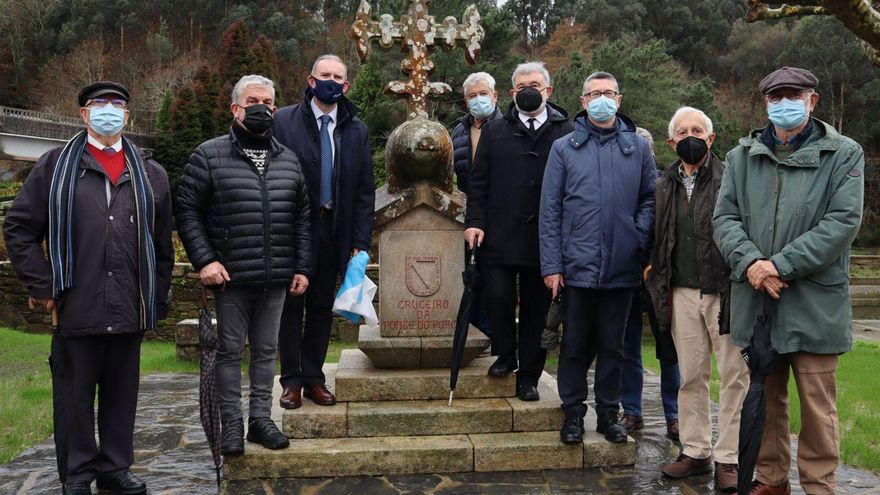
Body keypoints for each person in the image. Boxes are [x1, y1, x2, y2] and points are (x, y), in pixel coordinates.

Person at [3, 81, 174, 495]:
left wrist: (157, 295)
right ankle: (78, 475)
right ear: (84, 114)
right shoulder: (55, 165)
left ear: (128, 116)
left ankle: (115, 469)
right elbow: (19, 228)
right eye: (100, 104)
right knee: (74, 400)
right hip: (75, 304)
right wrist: (43, 285)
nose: (109, 110)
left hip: (129, 306)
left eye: (118, 104)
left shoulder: (151, 173)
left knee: (121, 397)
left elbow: (162, 242)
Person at [714, 67, 864, 495]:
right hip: (758, 302)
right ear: (765, 102)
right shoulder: (741, 156)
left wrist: (777, 265)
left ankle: (819, 486)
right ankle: (772, 479)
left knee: (817, 409)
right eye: (775, 96)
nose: (784, 103)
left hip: (815, 305)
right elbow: (724, 219)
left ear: (812, 100)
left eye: (793, 95)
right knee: (764, 400)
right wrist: (752, 265)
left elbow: (841, 223)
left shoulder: (844, 153)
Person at [176, 74, 312, 456]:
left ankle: (259, 421)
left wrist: (302, 266)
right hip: (231, 277)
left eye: (269, 102)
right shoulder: (208, 155)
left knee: (267, 351)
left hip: (276, 277)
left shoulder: (288, 158)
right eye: (254, 100)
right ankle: (231, 426)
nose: (262, 108)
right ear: (235, 108)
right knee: (230, 351)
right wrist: (205, 259)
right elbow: (187, 210)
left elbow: (301, 218)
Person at [539, 71, 655, 444]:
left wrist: (635, 236)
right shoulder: (564, 148)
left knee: (613, 345)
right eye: (594, 93)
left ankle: (609, 413)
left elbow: (650, 198)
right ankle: (572, 412)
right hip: (576, 267)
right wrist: (553, 265)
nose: (602, 99)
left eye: (609, 93)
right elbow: (550, 210)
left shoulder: (638, 148)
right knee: (573, 345)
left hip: (622, 267)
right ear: (583, 101)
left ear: (619, 100)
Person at [646, 107, 747, 492]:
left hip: (724, 290)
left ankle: (729, 458)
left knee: (735, 377)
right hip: (680, 292)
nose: (690, 136)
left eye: (697, 130)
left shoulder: (730, 178)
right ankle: (696, 450)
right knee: (691, 376)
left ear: (711, 138)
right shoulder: (663, 183)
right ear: (671, 142)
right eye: (682, 131)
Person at [464, 61, 573, 401]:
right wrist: (474, 222)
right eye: (522, 85)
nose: (529, 90)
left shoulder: (566, 132)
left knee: (537, 311)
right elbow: (478, 183)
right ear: (512, 93)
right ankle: (506, 354)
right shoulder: (495, 130)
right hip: (499, 233)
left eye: (535, 85)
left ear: (548, 91)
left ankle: (529, 374)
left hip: (545, 239)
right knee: (496, 296)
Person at [272, 55, 375, 410]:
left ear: (346, 86)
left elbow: (364, 192)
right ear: (311, 80)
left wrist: (360, 243)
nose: (331, 81)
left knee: (319, 308)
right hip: (293, 230)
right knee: (290, 307)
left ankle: (314, 378)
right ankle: (291, 382)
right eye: (324, 75)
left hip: (335, 231)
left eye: (338, 77)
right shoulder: (283, 121)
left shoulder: (356, 129)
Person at [619, 127, 681, 442]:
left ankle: (675, 414)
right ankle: (632, 410)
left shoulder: (668, 185)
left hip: (660, 276)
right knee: (627, 347)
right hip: (627, 276)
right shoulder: (620, 183)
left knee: (668, 348)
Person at [452, 71, 502, 195]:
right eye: (472, 95)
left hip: (499, 204)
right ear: (466, 101)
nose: (478, 99)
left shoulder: (509, 128)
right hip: (467, 202)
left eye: (483, 93)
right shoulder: (459, 131)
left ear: (494, 96)